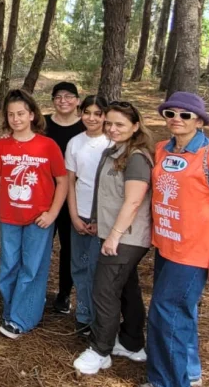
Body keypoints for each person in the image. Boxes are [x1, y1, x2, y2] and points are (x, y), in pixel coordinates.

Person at [144, 93, 209, 387]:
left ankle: (167, 382)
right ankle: (190, 373)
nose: (177, 119)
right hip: (166, 244)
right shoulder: (162, 149)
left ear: (199, 121)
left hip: (193, 249)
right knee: (181, 314)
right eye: (170, 113)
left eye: (185, 115)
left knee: (166, 314)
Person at [0, 88, 67, 339]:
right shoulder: (1, 146)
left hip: (39, 219)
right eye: (11, 114)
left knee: (32, 268)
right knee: (8, 267)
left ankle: (21, 319)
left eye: (21, 113)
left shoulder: (47, 145)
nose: (16, 119)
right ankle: (11, 310)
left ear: (32, 115)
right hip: (9, 218)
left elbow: (62, 181)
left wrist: (52, 213)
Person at [72, 101, 152, 375]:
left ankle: (100, 350)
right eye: (109, 123)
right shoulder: (114, 151)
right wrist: (98, 220)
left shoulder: (137, 158)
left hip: (126, 237)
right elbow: (106, 193)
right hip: (112, 232)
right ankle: (131, 342)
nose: (112, 128)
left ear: (136, 126)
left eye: (120, 124)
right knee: (127, 287)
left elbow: (133, 202)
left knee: (104, 291)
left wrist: (114, 236)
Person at [64, 95, 110, 335]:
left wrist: (100, 220)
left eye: (97, 114)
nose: (91, 118)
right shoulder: (75, 143)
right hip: (80, 213)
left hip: (105, 217)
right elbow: (70, 182)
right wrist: (74, 216)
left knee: (99, 270)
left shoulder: (112, 142)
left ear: (105, 116)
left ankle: (100, 320)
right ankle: (83, 316)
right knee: (80, 267)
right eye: (87, 112)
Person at [43, 81, 85, 315]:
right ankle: (37, 289)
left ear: (77, 100)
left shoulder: (85, 126)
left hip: (74, 196)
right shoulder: (43, 124)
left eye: (69, 96)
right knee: (41, 244)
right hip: (43, 194)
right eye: (58, 97)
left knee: (69, 247)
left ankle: (64, 293)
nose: (63, 101)